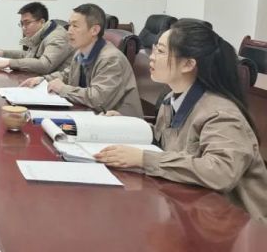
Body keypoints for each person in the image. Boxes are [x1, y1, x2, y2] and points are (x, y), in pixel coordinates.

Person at [95, 19, 267, 222]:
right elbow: (169, 138)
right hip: (193, 211)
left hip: (237, 226)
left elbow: (221, 171)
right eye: (154, 49)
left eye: (160, 51)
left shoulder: (221, 114)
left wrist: (144, 159)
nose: (151, 56)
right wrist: (129, 126)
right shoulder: (172, 99)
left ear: (188, 64)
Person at [20, 3, 143, 117]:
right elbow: (67, 74)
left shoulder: (111, 59)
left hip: (121, 124)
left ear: (94, 30)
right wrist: (43, 80)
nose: (69, 31)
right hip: (91, 116)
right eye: (69, 25)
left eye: (75, 26)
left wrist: (62, 89)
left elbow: (98, 99)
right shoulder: (81, 52)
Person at [0, 2, 73, 74]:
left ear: (42, 22)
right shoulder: (42, 33)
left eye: (27, 23)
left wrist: (9, 63)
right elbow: (29, 55)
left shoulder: (56, 38)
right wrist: (3, 53)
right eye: (22, 24)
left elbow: (45, 65)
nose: (23, 28)